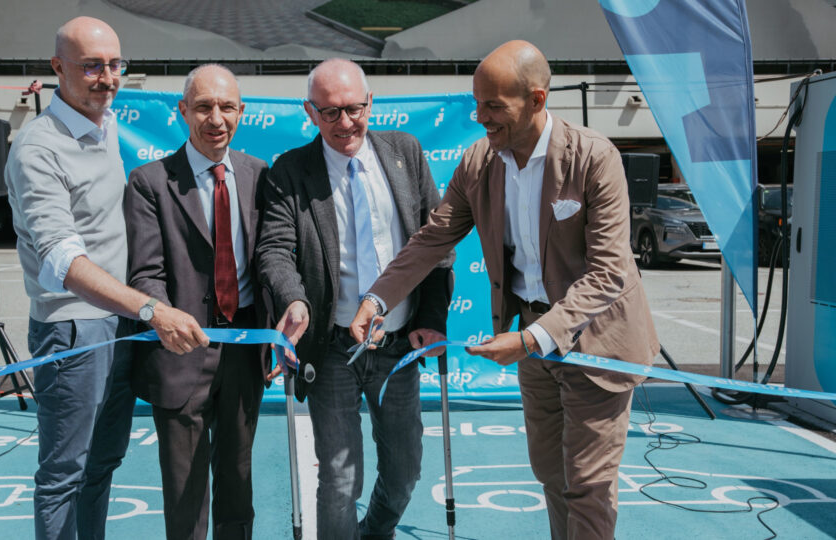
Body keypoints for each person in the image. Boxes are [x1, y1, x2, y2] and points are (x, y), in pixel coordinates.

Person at [351, 40, 660, 540]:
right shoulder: (479, 162)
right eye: (477, 103)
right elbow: (432, 238)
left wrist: (532, 338)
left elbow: (609, 272)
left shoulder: (594, 158)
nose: (480, 117)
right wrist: (377, 297)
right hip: (534, 342)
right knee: (551, 474)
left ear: (537, 100)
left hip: (599, 343)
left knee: (587, 483)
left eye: (494, 106)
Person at [4, 16, 207, 540]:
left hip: (119, 325)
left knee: (102, 464)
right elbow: (61, 260)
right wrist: (150, 308)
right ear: (57, 68)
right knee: (65, 474)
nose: (107, 77)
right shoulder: (37, 148)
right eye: (91, 66)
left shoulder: (105, 124)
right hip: (74, 329)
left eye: (115, 64)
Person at [255, 58, 453, 540]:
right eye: (330, 113)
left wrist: (430, 317)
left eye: (354, 109)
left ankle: (374, 532)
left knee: (406, 471)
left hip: (399, 345)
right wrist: (293, 300)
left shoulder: (405, 152)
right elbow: (275, 250)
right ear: (309, 111)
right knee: (340, 479)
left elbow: (435, 244)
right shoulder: (290, 171)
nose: (345, 123)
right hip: (332, 348)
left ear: (371, 103)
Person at [123, 64, 270, 540]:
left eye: (227, 107)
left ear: (241, 112)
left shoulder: (258, 175)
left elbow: (271, 260)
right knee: (185, 497)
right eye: (204, 106)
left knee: (238, 482)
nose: (216, 118)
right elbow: (146, 272)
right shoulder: (150, 181)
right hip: (179, 353)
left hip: (245, 351)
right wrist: (168, 320)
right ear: (182, 111)